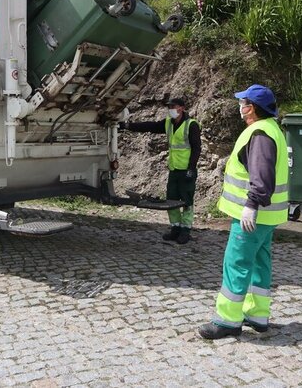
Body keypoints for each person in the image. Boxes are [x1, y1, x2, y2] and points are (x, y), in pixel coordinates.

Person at [198, 84, 289, 340]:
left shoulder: (259, 134)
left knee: (236, 263)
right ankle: (257, 315)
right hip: (268, 216)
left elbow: (262, 176)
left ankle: (227, 320)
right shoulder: (272, 130)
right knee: (260, 263)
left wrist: (251, 205)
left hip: (252, 216)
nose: (240, 106)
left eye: (243, 102)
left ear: (252, 108)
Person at [120, 97, 201, 244]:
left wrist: (191, 168)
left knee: (187, 201)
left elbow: (196, 149)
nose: (170, 109)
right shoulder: (168, 123)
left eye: (173, 106)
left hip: (186, 171)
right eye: (169, 107)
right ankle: (175, 228)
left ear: (182, 108)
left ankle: (185, 230)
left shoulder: (191, 125)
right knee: (171, 200)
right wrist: (127, 126)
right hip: (174, 169)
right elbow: (150, 126)